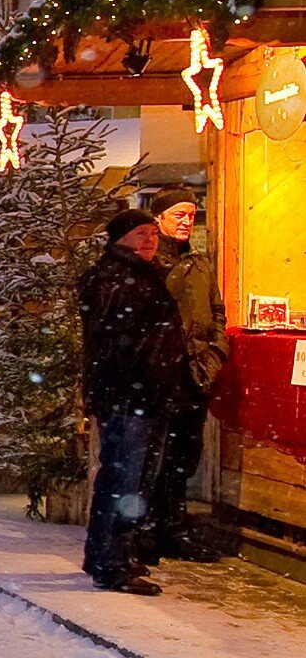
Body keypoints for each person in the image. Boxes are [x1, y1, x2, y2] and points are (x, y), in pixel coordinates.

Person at [79, 209, 190, 595]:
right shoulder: (116, 279)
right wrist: (144, 378)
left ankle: (109, 554)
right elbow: (114, 341)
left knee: (130, 478)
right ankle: (111, 563)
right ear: (119, 238)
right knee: (126, 480)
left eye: (154, 234)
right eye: (141, 233)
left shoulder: (138, 276)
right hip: (130, 396)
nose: (150, 240)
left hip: (144, 395)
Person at [150, 199, 227, 563]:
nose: (186, 221)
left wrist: (215, 356)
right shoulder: (149, 263)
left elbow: (217, 314)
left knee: (184, 455)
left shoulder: (199, 264)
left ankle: (174, 528)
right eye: (178, 214)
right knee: (155, 455)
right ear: (159, 218)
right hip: (159, 376)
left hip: (196, 375)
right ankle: (149, 528)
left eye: (191, 215)